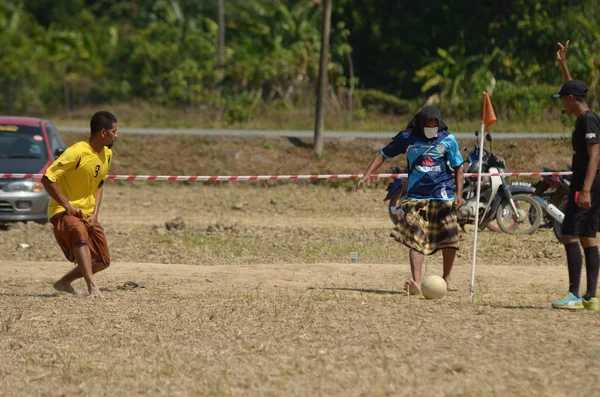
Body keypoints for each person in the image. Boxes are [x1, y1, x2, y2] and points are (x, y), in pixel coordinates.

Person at [357, 105, 464, 295]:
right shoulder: (407, 139)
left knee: (450, 236)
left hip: (443, 194)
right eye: (428, 125)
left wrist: (459, 194)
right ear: (421, 124)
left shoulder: (448, 139)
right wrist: (367, 174)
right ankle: (416, 282)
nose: (432, 128)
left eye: (435, 125)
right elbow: (382, 155)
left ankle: (447, 276)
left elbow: (458, 166)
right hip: (416, 197)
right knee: (416, 238)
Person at [41, 111, 117, 298]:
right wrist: (68, 206)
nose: (116, 135)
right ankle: (92, 287)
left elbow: (99, 184)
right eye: (114, 131)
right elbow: (47, 179)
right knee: (79, 234)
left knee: (102, 260)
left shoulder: (107, 154)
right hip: (63, 211)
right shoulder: (76, 152)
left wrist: (95, 214)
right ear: (103, 133)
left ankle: (64, 282)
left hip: (88, 213)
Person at [551, 40, 600, 310]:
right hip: (590, 183)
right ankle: (591, 298)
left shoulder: (588, 121)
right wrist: (563, 65)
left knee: (570, 234)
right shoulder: (585, 115)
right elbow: (572, 90)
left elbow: (595, 154)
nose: (563, 105)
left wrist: (586, 188)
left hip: (588, 183)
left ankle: (573, 294)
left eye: (564, 100)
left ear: (572, 100)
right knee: (588, 236)